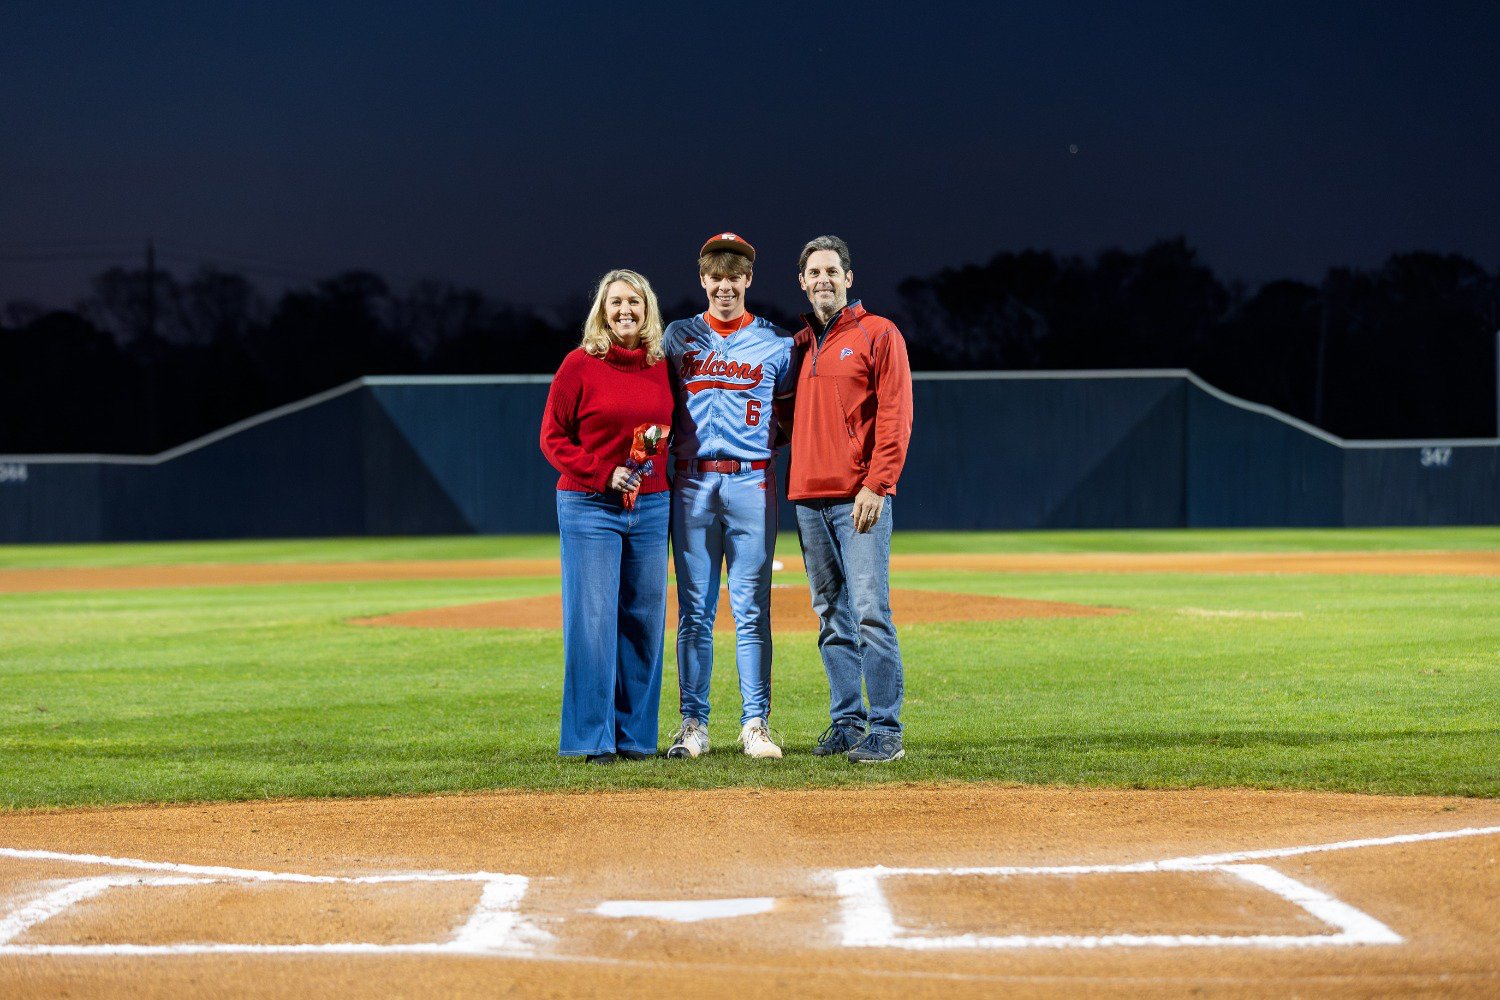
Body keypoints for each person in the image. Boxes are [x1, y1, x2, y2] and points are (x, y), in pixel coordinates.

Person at [661, 232, 795, 760]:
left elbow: (792, 415)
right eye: (715, 276)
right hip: (691, 482)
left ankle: (755, 723)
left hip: (751, 481)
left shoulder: (777, 342)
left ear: (748, 280)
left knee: (752, 610)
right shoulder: (678, 336)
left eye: (734, 276)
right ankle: (693, 724)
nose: (724, 286)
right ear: (703, 280)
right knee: (694, 611)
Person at [787, 235, 913, 763]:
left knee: (870, 614)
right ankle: (846, 722)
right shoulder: (797, 345)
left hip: (857, 498)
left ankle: (885, 729)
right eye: (814, 272)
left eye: (832, 271)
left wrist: (878, 484)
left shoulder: (878, 333)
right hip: (807, 498)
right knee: (831, 616)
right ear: (802, 281)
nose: (823, 279)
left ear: (848, 278)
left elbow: (896, 414)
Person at [540, 269, 674, 765]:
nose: (625, 310)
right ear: (602, 310)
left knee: (645, 621)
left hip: (652, 505)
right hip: (590, 506)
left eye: (634, 302)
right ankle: (591, 739)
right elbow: (552, 438)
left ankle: (635, 737)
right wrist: (602, 473)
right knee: (593, 622)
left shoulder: (663, 365)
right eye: (616, 302)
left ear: (648, 309)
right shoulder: (579, 365)